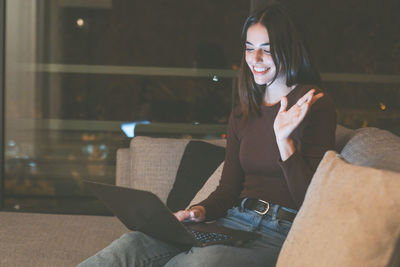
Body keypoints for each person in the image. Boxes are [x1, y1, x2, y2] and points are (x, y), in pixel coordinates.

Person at [78, 3, 336, 267]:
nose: (254, 59)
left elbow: (311, 201)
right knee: (132, 244)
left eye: (266, 50)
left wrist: (284, 141)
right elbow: (228, 190)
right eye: (249, 48)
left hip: (280, 232)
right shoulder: (243, 112)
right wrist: (199, 211)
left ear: (289, 50)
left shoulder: (314, 105)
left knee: (201, 262)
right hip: (234, 222)